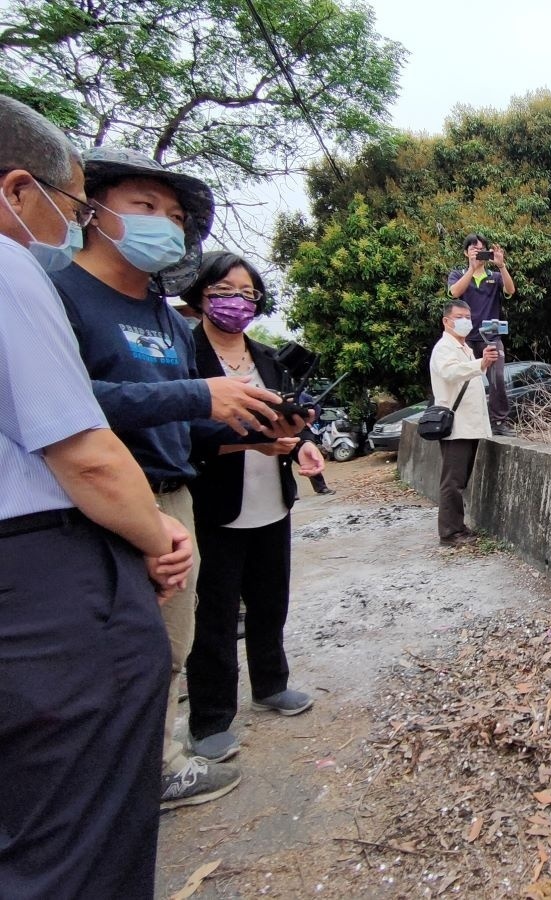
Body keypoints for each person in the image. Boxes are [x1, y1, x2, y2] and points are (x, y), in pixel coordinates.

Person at [51, 146, 302, 810]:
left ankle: (158, 766)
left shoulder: (159, 315)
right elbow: (61, 401)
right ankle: (115, 780)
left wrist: (264, 435)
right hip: (89, 500)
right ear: (91, 208)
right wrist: (200, 399)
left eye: (174, 213)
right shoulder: (57, 295)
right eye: (144, 205)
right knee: (114, 651)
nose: (164, 221)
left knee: (168, 644)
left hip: (171, 493)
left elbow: (185, 421)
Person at [0, 95, 192, 899]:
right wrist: (155, 535)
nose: (69, 225)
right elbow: (80, 444)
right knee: (78, 836)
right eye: (76, 205)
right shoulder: (22, 274)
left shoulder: (160, 315)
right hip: (53, 556)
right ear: (18, 191)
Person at [182, 251, 323, 763]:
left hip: (271, 499)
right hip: (213, 502)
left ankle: (271, 683)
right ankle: (211, 717)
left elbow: (289, 417)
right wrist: (250, 444)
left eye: (247, 294)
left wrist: (303, 442)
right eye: (224, 292)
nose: (236, 303)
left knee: (270, 600)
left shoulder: (267, 358)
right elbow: (181, 428)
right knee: (215, 613)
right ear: (200, 295)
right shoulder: (185, 354)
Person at [431, 299, 500, 545]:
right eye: (460, 317)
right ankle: (450, 533)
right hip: (456, 426)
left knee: (460, 480)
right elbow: (451, 373)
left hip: (468, 425)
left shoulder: (465, 348)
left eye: (468, 317)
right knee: (453, 481)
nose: (465, 322)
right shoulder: (444, 348)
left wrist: (482, 361)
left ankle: (458, 527)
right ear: (446, 321)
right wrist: (480, 363)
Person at [447, 233, 515, 436]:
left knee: (498, 377)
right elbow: (454, 293)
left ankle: (499, 422)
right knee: (466, 379)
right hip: (464, 339)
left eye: (481, 249)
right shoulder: (458, 274)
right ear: (466, 253)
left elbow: (511, 290)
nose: (477, 253)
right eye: (473, 249)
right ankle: (462, 420)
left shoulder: (494, 277)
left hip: (491, 338)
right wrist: (472, 268)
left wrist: (501, 266)